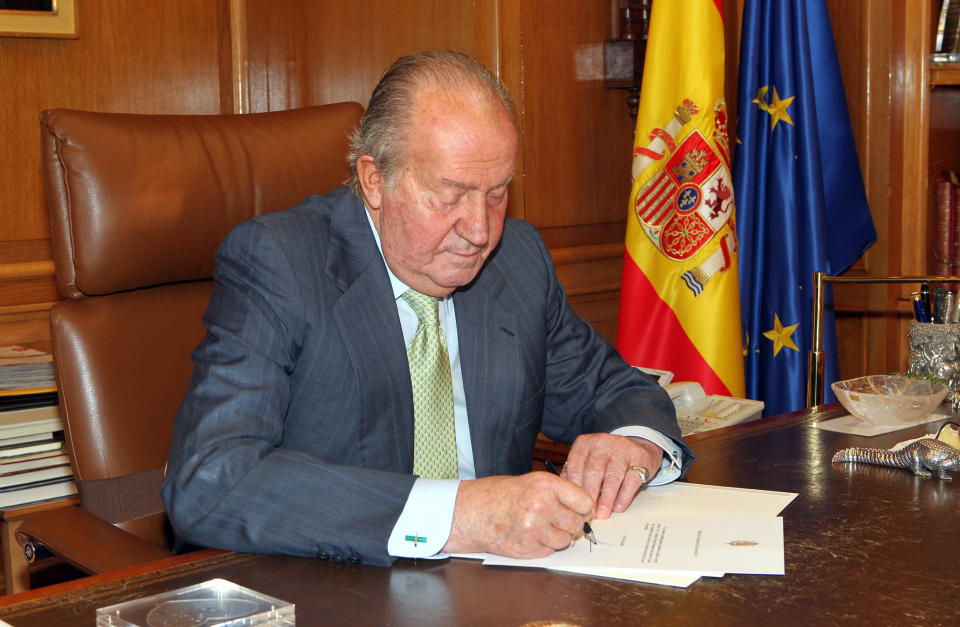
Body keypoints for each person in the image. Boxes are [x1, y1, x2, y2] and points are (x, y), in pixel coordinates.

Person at [162, 50, 693, 566]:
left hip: (500, 590)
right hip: (337, 587)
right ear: (375, 180)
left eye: (497, 193)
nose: (480, 230)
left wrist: (632, 445)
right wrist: (462, 514)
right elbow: (212, 480)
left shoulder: (517, 261)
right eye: (450, 195)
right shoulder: (283, 264)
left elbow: (616, 390)